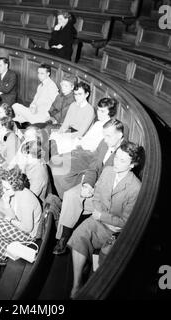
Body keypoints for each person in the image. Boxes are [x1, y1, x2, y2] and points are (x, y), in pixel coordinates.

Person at [68, 142, 142, 298]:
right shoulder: (108, 171)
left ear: (133, 165)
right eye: (117, 157)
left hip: (116, 231)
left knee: (107, 262)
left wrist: (101, 216)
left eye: (123, 160)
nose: (116, 162)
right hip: (99, 219)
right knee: (79, 234)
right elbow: (97, 195)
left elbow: (125, 222)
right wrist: (97, 210)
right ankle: (76, 284)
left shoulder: (136, 187)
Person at [53, 119, 125, 254]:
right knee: (70, 194)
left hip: (108, 192)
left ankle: (65, 233)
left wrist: (94, 189)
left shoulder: (124, 153)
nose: (105, 139)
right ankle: (63, 237)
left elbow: (115, 182)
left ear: (120, 135)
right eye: (104, 135)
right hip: (95, 183)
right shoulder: (105, 143)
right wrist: (87, 184)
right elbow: (93, 166)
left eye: (109, 136)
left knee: (72, 197)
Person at [0, 167, 42, 273]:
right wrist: (7, 204)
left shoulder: (25, 200)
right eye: (3, 187)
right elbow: (13, 215)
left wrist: (9, 221)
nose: (4, 191)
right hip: (20, 225)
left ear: (16, 186)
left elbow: (27, 228)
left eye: (6, 189)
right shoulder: (16, 194)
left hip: (30, 236)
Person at [50, 82, 94, 154]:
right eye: (75, 94)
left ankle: (56, 161)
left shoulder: (90, 110)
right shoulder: (73, 105)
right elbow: (65, 124)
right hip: (70, 130)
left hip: (80, 136)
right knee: (53, 135)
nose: (77, 97)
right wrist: (60, 133)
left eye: (80, 94)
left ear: (86, 94)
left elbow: (81, 133)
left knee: (62, 142)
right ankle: (46, 160)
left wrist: (64, 136)